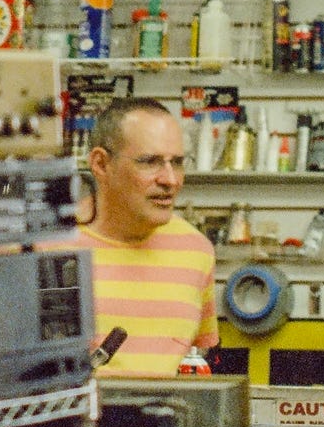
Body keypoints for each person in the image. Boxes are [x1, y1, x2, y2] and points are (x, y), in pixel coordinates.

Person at [80, 99, 219, 379]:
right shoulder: (44, 246)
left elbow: (200, 357)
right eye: (149, 162)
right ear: (101, 164)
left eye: (177, 163)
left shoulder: (196, 250)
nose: (170, 180)